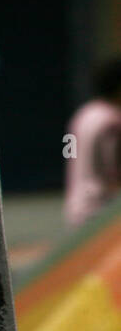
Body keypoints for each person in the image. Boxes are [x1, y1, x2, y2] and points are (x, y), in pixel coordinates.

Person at [63, 57, 121, 228]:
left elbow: (69, 153)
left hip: (76, 206)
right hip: (102, 211)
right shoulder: (112, 121)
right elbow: (113, 172)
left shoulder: (82, 115)